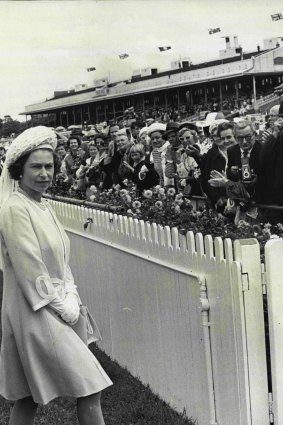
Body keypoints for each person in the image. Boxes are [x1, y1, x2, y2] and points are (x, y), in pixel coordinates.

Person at [0, 126, 112, 425]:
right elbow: (29, 267)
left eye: (48, 166)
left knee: (27, 398)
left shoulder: (42, 205)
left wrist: (72, 292)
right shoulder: (15, 208)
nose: (44, 174)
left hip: (52, 304)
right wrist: (61, 306)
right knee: (90, 386)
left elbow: (61, 260)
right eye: (35, 167)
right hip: (33, 310)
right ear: (17, 170)